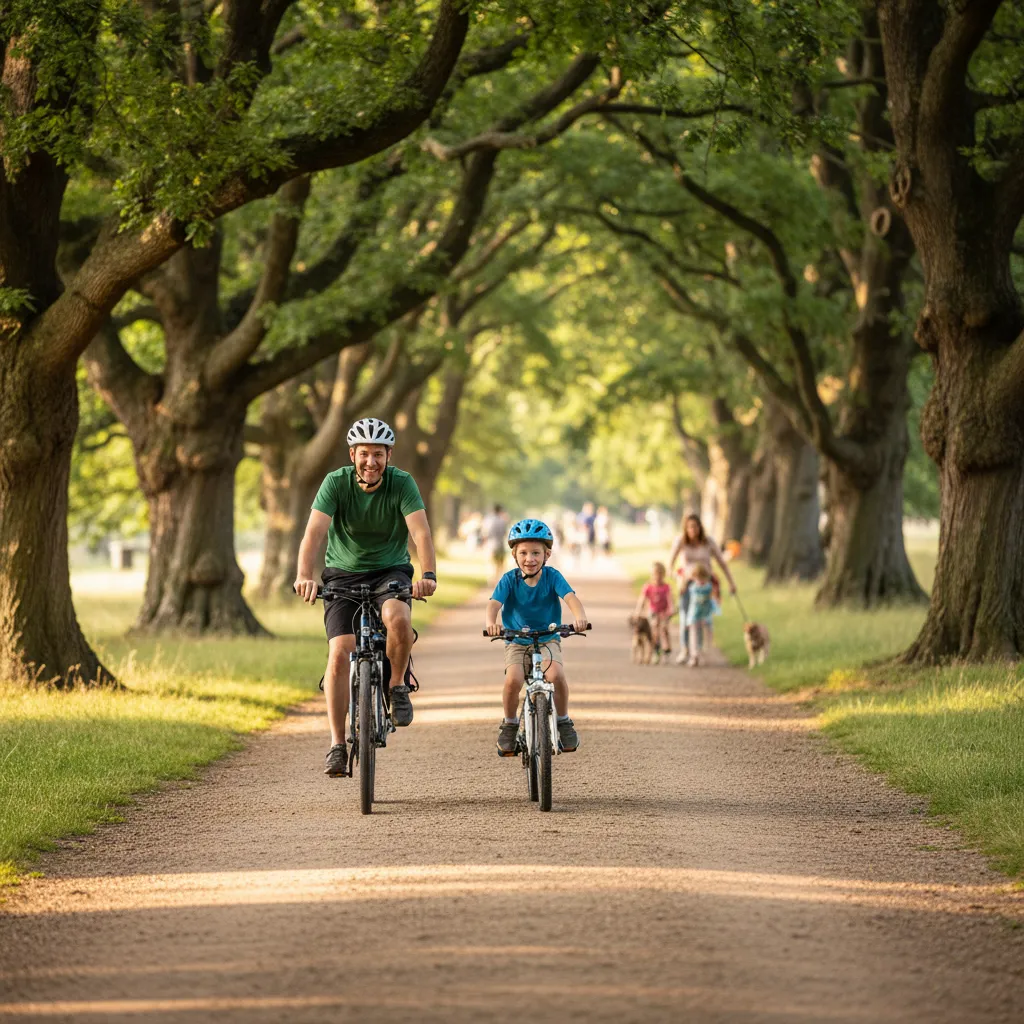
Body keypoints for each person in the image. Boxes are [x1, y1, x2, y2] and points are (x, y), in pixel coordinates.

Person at [294, 417, 437, 778]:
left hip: (390, 571)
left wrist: (428, 575)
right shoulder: (335, 483)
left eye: (378, 454)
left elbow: (420, 533)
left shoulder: (402, 483)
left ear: (388, 455)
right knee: (340, 651)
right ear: (352, 454)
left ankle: (397, 686)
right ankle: (337, 745)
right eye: (363, 454)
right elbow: (313, 534)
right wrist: (304, 576)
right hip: (342, 573)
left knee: (399, 620)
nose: (370, 462)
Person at [485, 519, 589, 757]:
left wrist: (579, 616)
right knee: (513, 679)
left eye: (535, 552)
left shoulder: (553, 577)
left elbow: (570, 598)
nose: (529, 558)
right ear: (514, 554)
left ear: (547, 554)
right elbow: (493, 605)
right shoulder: (508, 580)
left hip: (547, 639)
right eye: (523, 552)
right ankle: (510, 724)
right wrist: (492, 623)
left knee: (556, 675)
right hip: (516, 641)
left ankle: (563, 720)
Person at [668, 513, 737, 665]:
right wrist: (677, 577)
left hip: (704, 585)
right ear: (685, 528)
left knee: (700, 619)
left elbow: (722, 563)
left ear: (700, 527)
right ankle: (685, 649)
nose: (693, 530)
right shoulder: (681, 541)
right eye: (690, 527)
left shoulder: (708, 542)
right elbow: (670, 565)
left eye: (696, 526)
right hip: (687, 584)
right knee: (686, 617)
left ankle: (697, 651)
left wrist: (731, 583)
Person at [634, 561, 673, 661]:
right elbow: (642, 599)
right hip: (653, 611)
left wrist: (671, 609)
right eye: (656, 574)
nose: (658, 577)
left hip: (664, 612)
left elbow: (670, 599)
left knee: (664, 630)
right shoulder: (648, 586)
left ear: (663, 575)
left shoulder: (666, 587)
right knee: (654, 630)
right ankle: (656, 651)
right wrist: (638, 611)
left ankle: (666, 650)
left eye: (660, 574)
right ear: (652, 575)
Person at [685, 564, 717, 666]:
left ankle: (702, 654)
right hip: (694, 614)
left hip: (705, 614)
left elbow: (714, 598)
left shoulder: (708, 587)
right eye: (697, 578)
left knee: (703, 634)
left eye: (702, 578)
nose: (700, 580)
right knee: (693, 634)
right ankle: (694, 655)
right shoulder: (692, 587)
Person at [481, 503, 510, 582]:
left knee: (491, 563)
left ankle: (491, 580)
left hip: (490, 545)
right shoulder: (502, 521)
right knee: (500, 564)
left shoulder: (488, 520)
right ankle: (497, 580)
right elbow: (504, 533)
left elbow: (484, 533)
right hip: (500, 544)